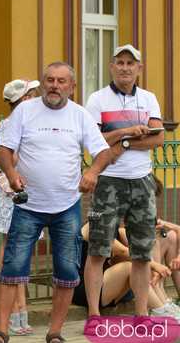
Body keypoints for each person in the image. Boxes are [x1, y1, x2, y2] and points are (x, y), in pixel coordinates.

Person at [0, 62, 112, 343]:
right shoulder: (24, 111)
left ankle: (55, 332)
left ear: (72, 86)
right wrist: (11, 173)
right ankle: (1, 331)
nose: (55, 85)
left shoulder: (79, 115)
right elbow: (5, 150)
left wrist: (92, 171)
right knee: (13, 267)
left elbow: (103, 152)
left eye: (61, 81)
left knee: (67, 270)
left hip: (66, 206)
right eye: (49, 80)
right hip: (28, 205)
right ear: (43, 83)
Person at [83, 44, 165, 332]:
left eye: (131, 63)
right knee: (98, 249)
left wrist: (123, 143)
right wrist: (127, 131)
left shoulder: (149, 98)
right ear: (111, 66)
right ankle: (94, 315)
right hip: (108, 179)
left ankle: (142, 314)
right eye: (120, 62)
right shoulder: (97, 99)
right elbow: (95, 140)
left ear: (139, 69)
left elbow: (157, 139)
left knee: (143, 251)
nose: (125, 67)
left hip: (142, 180)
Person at [0, 79, 40, 336]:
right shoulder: (8, 125)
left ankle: (22, 310)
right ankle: (12, 313)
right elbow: (10, 158)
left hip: (29, 192)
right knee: (11, 253)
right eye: (32, 95)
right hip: (12, 192)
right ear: (23, 100)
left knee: (24, 253)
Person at [73, 223, 180, 321]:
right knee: (130, 267)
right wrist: (156, 266)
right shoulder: (94, 225)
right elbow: (122, 251)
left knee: (141, 264)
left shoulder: (119, 230)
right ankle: (160, 310)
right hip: (85, 290)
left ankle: (164, 306)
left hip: (108, 289)